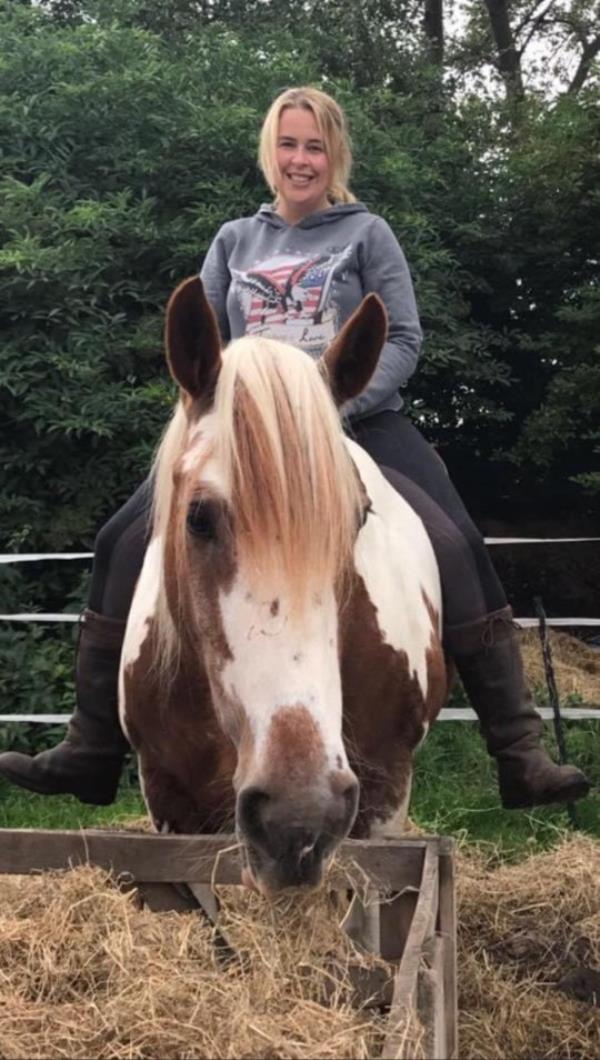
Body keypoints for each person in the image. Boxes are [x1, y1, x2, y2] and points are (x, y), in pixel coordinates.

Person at [0, 87, 589, 810]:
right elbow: (204, 355)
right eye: (288, 145)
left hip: (355, 422)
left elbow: (401, 337)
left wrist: (331, 409)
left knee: (455, 536)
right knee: (122, 538)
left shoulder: (368, 234)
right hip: (248, 439)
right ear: (269, 153)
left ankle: (519, 749)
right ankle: (90, 746)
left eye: (314, 146)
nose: (300, 159)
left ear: (333, 155)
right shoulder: (233, 241)